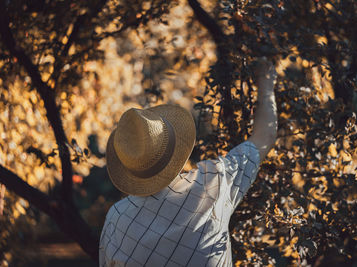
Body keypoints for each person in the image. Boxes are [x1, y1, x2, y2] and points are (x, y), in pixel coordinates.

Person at [99, 60, 278, 266]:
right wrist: (266, 85)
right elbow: (265, 136)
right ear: (175, 147)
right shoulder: (214, 183)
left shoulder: (117, 218)